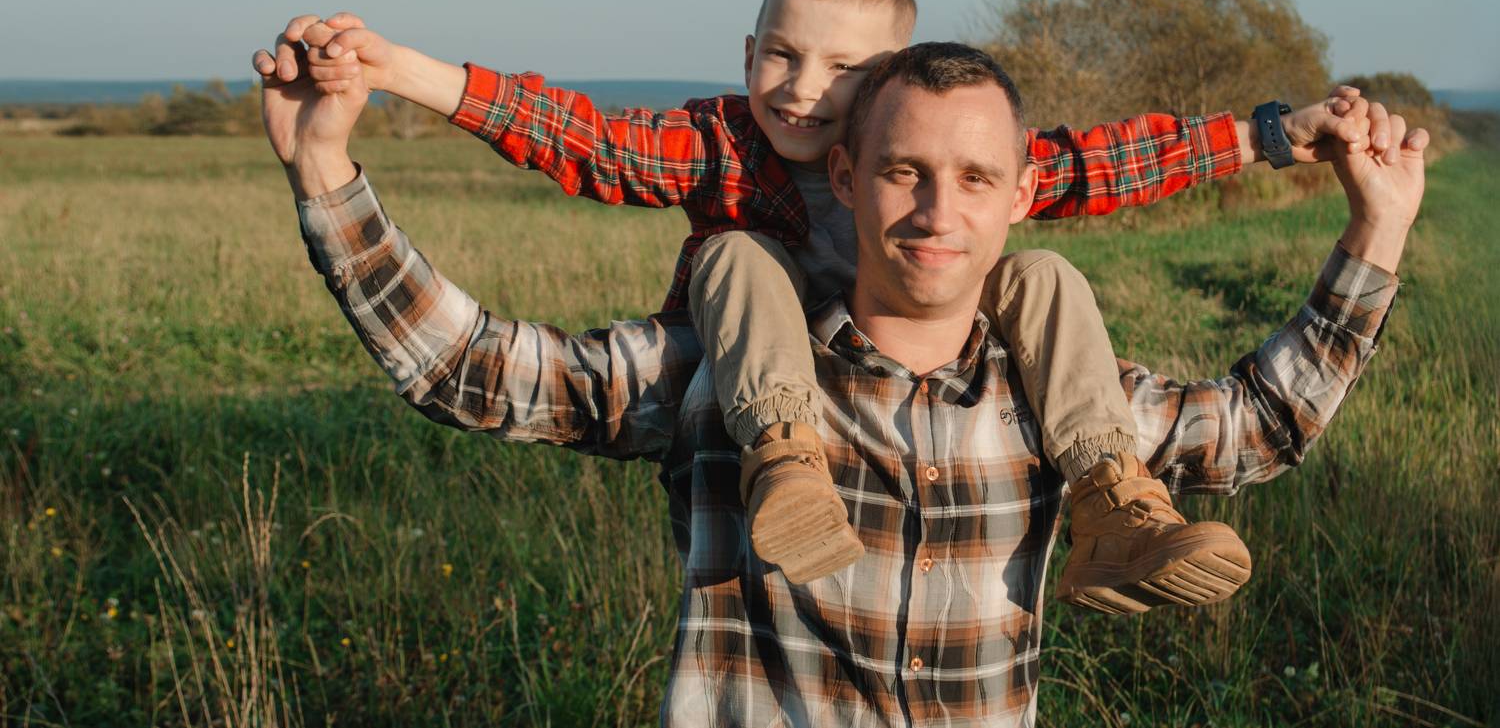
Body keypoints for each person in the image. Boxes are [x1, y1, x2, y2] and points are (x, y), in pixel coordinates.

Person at [261, 39, 1424, 726]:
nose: (936, 210)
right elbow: (472, 370)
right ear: (848, 173)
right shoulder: (720, 367)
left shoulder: (1057, 388)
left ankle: (1115, 514)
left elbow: (1256, 430)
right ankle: (790, 466)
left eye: (975, 178)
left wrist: (1379, 228)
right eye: (906, 171)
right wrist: (324, 167)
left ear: (1023, 194)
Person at [254, 0, 1384, 603]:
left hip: (963, 368)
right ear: (748, 54)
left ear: (890, 80)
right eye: (782, 56)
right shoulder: (724, 151)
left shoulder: (1006, 352)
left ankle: (1109, 494)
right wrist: (390, 80)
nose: (800, 90)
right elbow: (585, 142)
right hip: (755, 385)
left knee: (1046, 273)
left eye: (841, 69)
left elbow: (1113, 163)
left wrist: (1279, 137)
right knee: (739, 254)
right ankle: (786, 463)